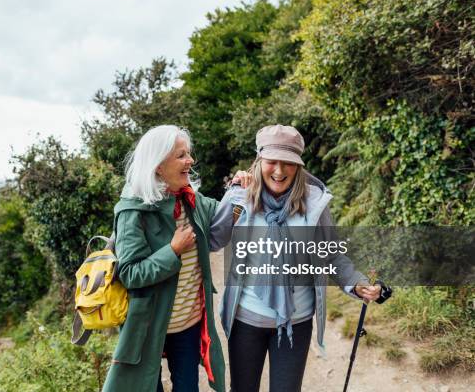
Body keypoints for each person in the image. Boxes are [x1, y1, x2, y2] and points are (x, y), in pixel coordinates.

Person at [210, 124, 381, 392]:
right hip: (246, 320)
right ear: (259, 161)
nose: (279, 171)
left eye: (288, 163)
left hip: (296, 321)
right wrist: (233, 200)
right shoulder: (240, 197)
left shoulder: (314, 204)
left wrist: (355, 283)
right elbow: (213, 239)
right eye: (272, 162)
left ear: (299, 166)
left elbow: (331, 253)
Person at [102, 125, 249, 392]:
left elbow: (222, 219)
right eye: (181, 155)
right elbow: (131, 274)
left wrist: (238, 188)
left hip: (188, 325)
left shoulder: (190, 200)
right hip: (148, 325)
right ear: (158, 165)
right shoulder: (132, 212)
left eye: (188, 154)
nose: (190, 161)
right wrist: (172, 251)